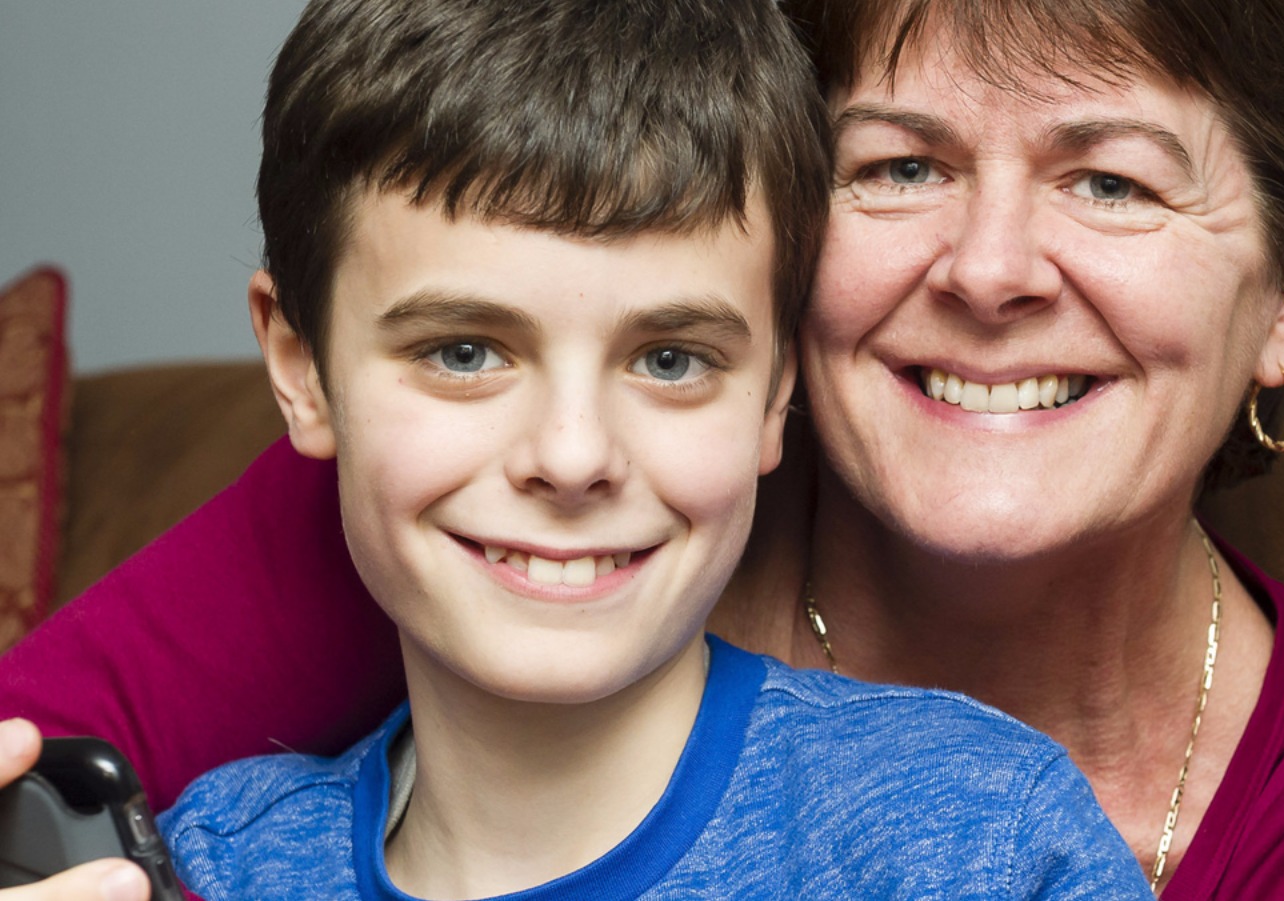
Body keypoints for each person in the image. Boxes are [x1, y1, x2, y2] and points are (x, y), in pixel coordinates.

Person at [0, 0, 1284, 898]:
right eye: (899, 165)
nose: (990, 270)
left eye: (1114, 183)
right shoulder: (477, 502)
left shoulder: (1253, 846)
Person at [93, 0, 1158, 899]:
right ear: (300, 368)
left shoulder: (971, 841)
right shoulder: (212, 866)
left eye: (670, 360)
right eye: (464, 352)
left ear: (775, 393)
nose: (571, 456)